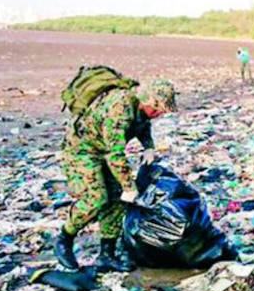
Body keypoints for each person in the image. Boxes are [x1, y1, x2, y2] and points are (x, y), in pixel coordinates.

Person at [55, 79, 177, 272]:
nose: (160, 113)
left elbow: (143, 126)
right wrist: (129, 186)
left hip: (104, 150)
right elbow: (115, 154)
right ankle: (64, 238)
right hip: (83, 151)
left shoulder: (140, 107)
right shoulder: (119, 109)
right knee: (95, 198)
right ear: (148, 101)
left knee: (117, 200)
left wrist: (149, 148)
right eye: (158, 109)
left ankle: (107, 254)